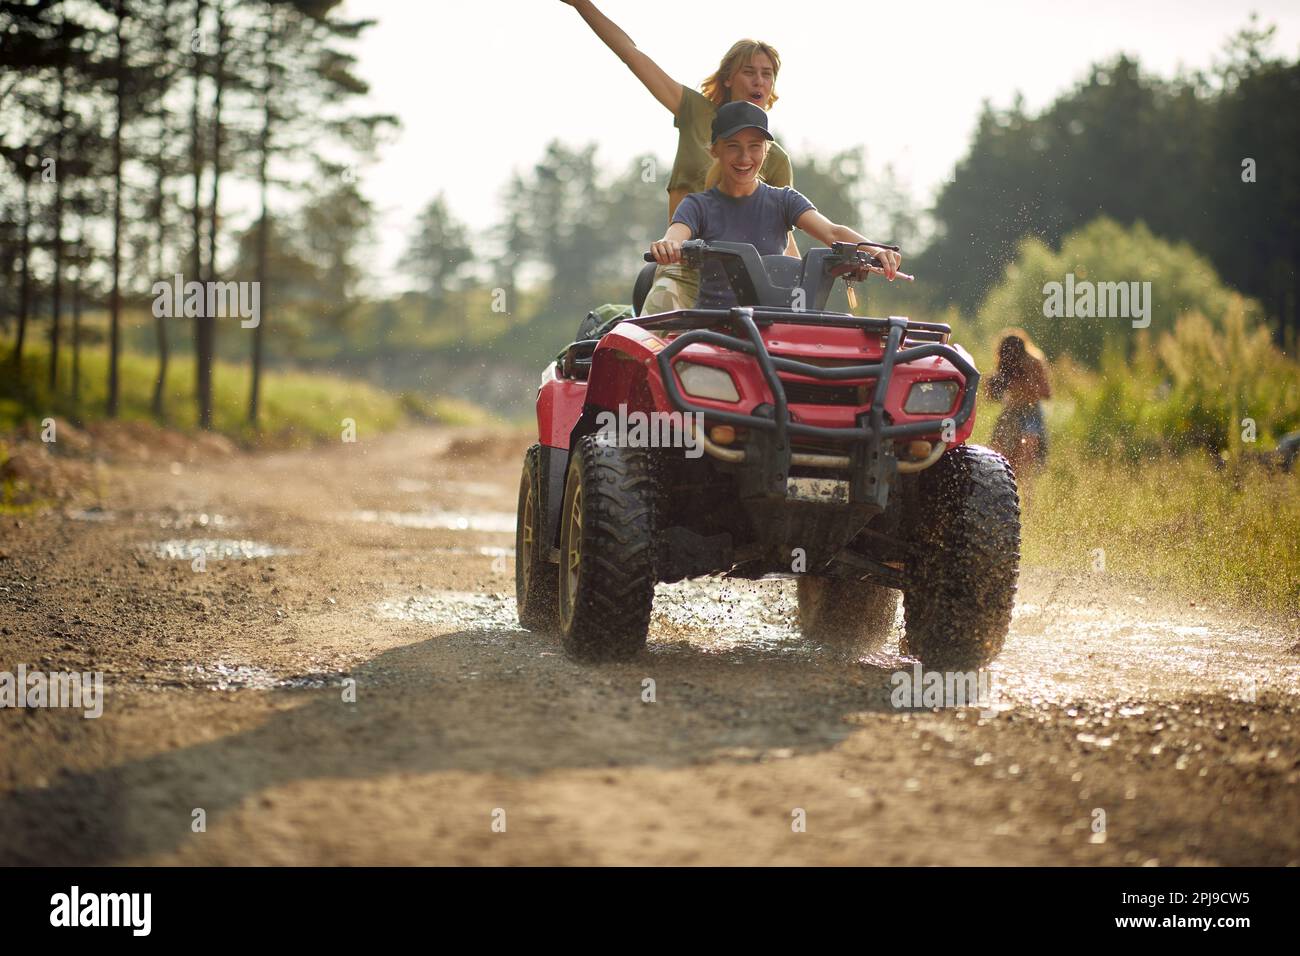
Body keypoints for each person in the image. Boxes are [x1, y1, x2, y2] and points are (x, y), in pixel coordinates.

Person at [560, 1, 799, 313]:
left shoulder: (775, 158)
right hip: (685, 269)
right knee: (658, 331)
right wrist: (582, 5)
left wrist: (800, 285)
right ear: (728, 78)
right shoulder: (695, 112)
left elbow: (784, 238)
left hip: (745, 283)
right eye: (749, 72)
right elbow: (632, 55)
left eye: (767, 74)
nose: (759, 81)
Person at [650, 101, 901, 307]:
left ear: (766, 150)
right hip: (715, 330)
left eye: (754, 147)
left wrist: (876, 251)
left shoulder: (784, 200)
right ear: (714, 150)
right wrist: (668, 245)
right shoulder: (697, 205)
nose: (745, 157)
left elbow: (833, 232)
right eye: (733, 146)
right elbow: (675, 235)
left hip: (774, 324)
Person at [986, 329, 1052, 494]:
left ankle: (1027, 507)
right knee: (999, 459)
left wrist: (1023, 387)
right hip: (1010, 413)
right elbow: (991, 396)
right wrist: (994, 385)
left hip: (1031, 413)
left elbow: (1047, 392)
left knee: (1026, 464)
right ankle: (1000, 497)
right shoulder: (1005, 363)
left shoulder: (1034, 361)